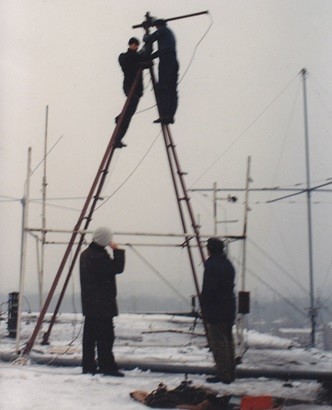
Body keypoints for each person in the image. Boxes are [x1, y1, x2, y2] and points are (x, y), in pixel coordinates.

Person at [79, 227, 125, 376]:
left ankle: (88, 366)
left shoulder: (86, 254)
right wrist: (117, 251)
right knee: (105, 337)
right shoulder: (98, 256)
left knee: (90, 338)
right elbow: (117, 268)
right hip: (102, 304)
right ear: (105, 239)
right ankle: (107, 366)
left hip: (91, 303)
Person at [200, 238, 236, 384]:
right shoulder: (228, 264)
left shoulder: (211, 265)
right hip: (228, 307)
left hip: (216, 309)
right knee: (228, 340)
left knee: (218, 342)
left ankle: (224, 374)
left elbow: (209, 289)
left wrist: (204, 305)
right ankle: (230, 372)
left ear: (210, 249)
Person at [143, 19, 179, 125]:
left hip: (166, 62)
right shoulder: (168, 35)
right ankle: (169, 115)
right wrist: (151, 56)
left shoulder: (163, 31)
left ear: (158, 26)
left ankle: (165, 114)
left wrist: (146, 31)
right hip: (171, 61)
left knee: (164, 87)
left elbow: (148, 39)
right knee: (171, 89)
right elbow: (161, 51)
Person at [114, 37, 146, 148]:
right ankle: (120, 117)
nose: (136, 47)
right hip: (129, 86)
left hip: (136, 89)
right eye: (135, 45)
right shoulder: (124, 56)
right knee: (130, 107)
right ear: (130, 45)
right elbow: (127, 60)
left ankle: (118, 139)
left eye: (137, 45)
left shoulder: (137, 57)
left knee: (128, 116)